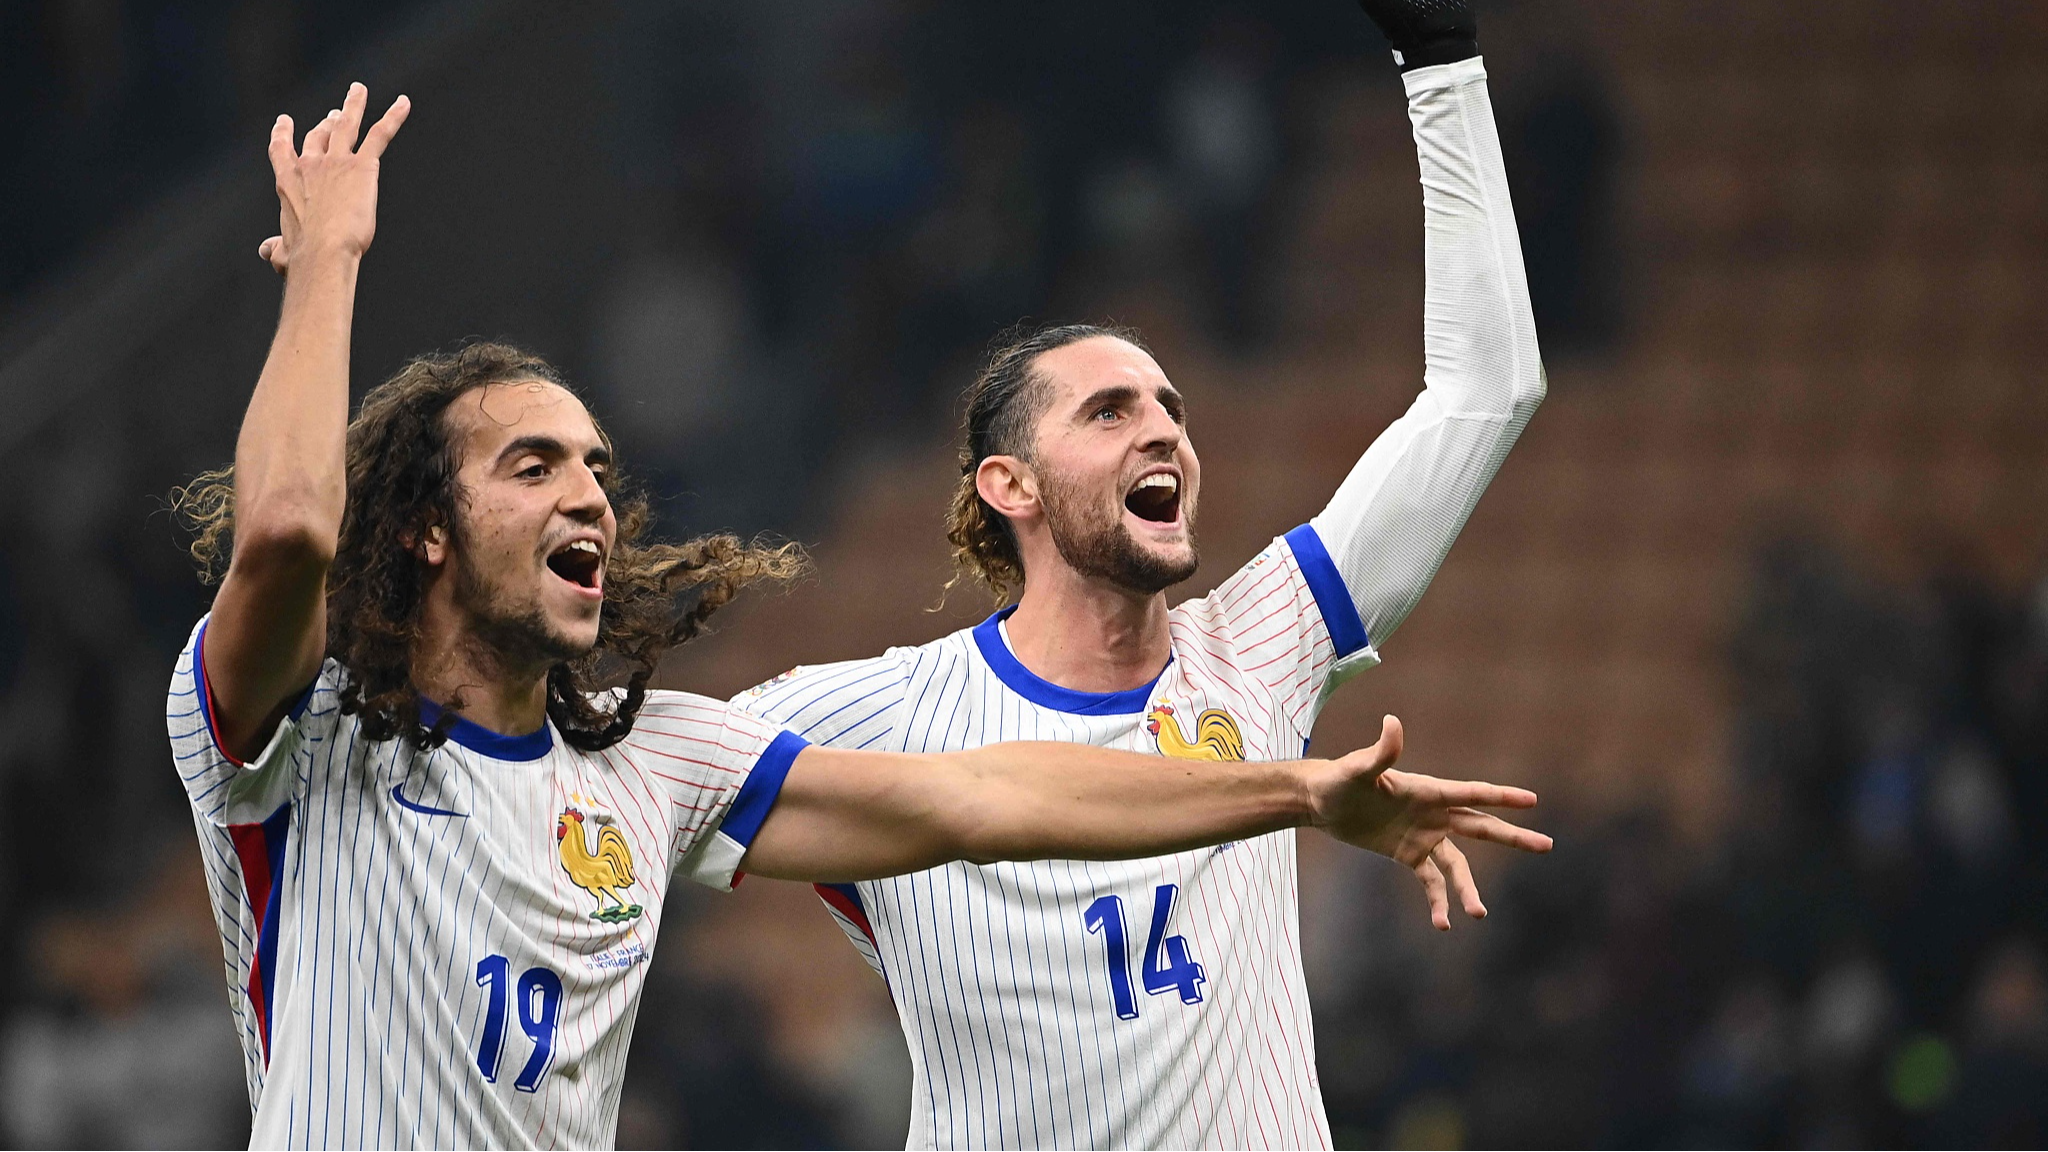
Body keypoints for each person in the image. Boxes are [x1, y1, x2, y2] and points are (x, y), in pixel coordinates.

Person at [169, 79, 1548, 1150]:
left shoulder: (658, 765)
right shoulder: (321, 740)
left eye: (598, 464)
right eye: (535, 466)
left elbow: (997, 800)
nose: (590, 491)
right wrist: (329, 262)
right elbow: (289, 531)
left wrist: (1302, 789)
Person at [730, 2, 1545, 1147]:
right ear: (1006, 487)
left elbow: (1482, 394)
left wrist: (1440, 60)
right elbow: (604, 783)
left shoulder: (1264, 642)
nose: (1162, 432)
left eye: (1171, 408)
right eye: (1109, 411)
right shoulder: (873, 715)